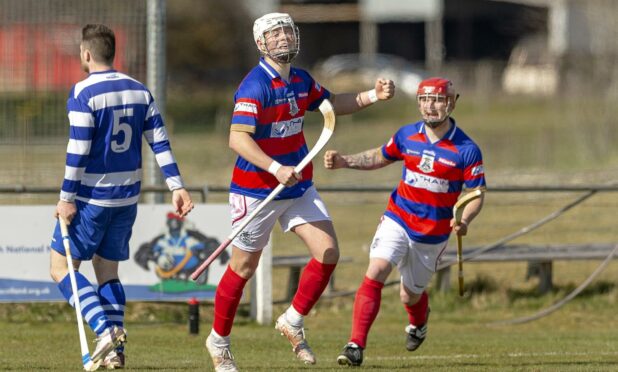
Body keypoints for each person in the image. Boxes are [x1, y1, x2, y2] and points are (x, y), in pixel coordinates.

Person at [204, 12, 394, 372]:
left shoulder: (302, 80)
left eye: (287, 32)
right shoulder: (254, 86)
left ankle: (292, 319)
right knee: (243, 267)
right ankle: (219, 341)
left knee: (328, 253)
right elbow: (236, 138)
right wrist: (275, 168)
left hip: (298, 185)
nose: (283, 39)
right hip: (258, 189)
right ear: (261, 44)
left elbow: (332, 103)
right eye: (274, 35)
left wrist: (372, 96)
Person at [49, 24, 194, 369]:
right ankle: (115, 351)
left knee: (60, 267)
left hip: (91, 198)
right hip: (127, 199)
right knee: (107, 271)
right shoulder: (140, 90)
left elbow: (78, 150)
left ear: (86, 54)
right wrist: (177, 185)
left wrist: (66, 197)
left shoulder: (84, 92)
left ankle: (103, 329)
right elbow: (159, 140)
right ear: (113, 53)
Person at [324, 77, 486, 367]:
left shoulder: (466, 149)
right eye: (424, 100)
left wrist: (466, 221)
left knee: (409, 295)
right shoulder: (406, 136)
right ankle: (355, 345)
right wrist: (345, 161)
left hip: (432, 234)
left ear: (450, 103)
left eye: (437, 100)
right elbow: (379, 156)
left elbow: (476, 195)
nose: (430, 107)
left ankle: (419, 322)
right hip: (397, 218)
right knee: (376, 270)